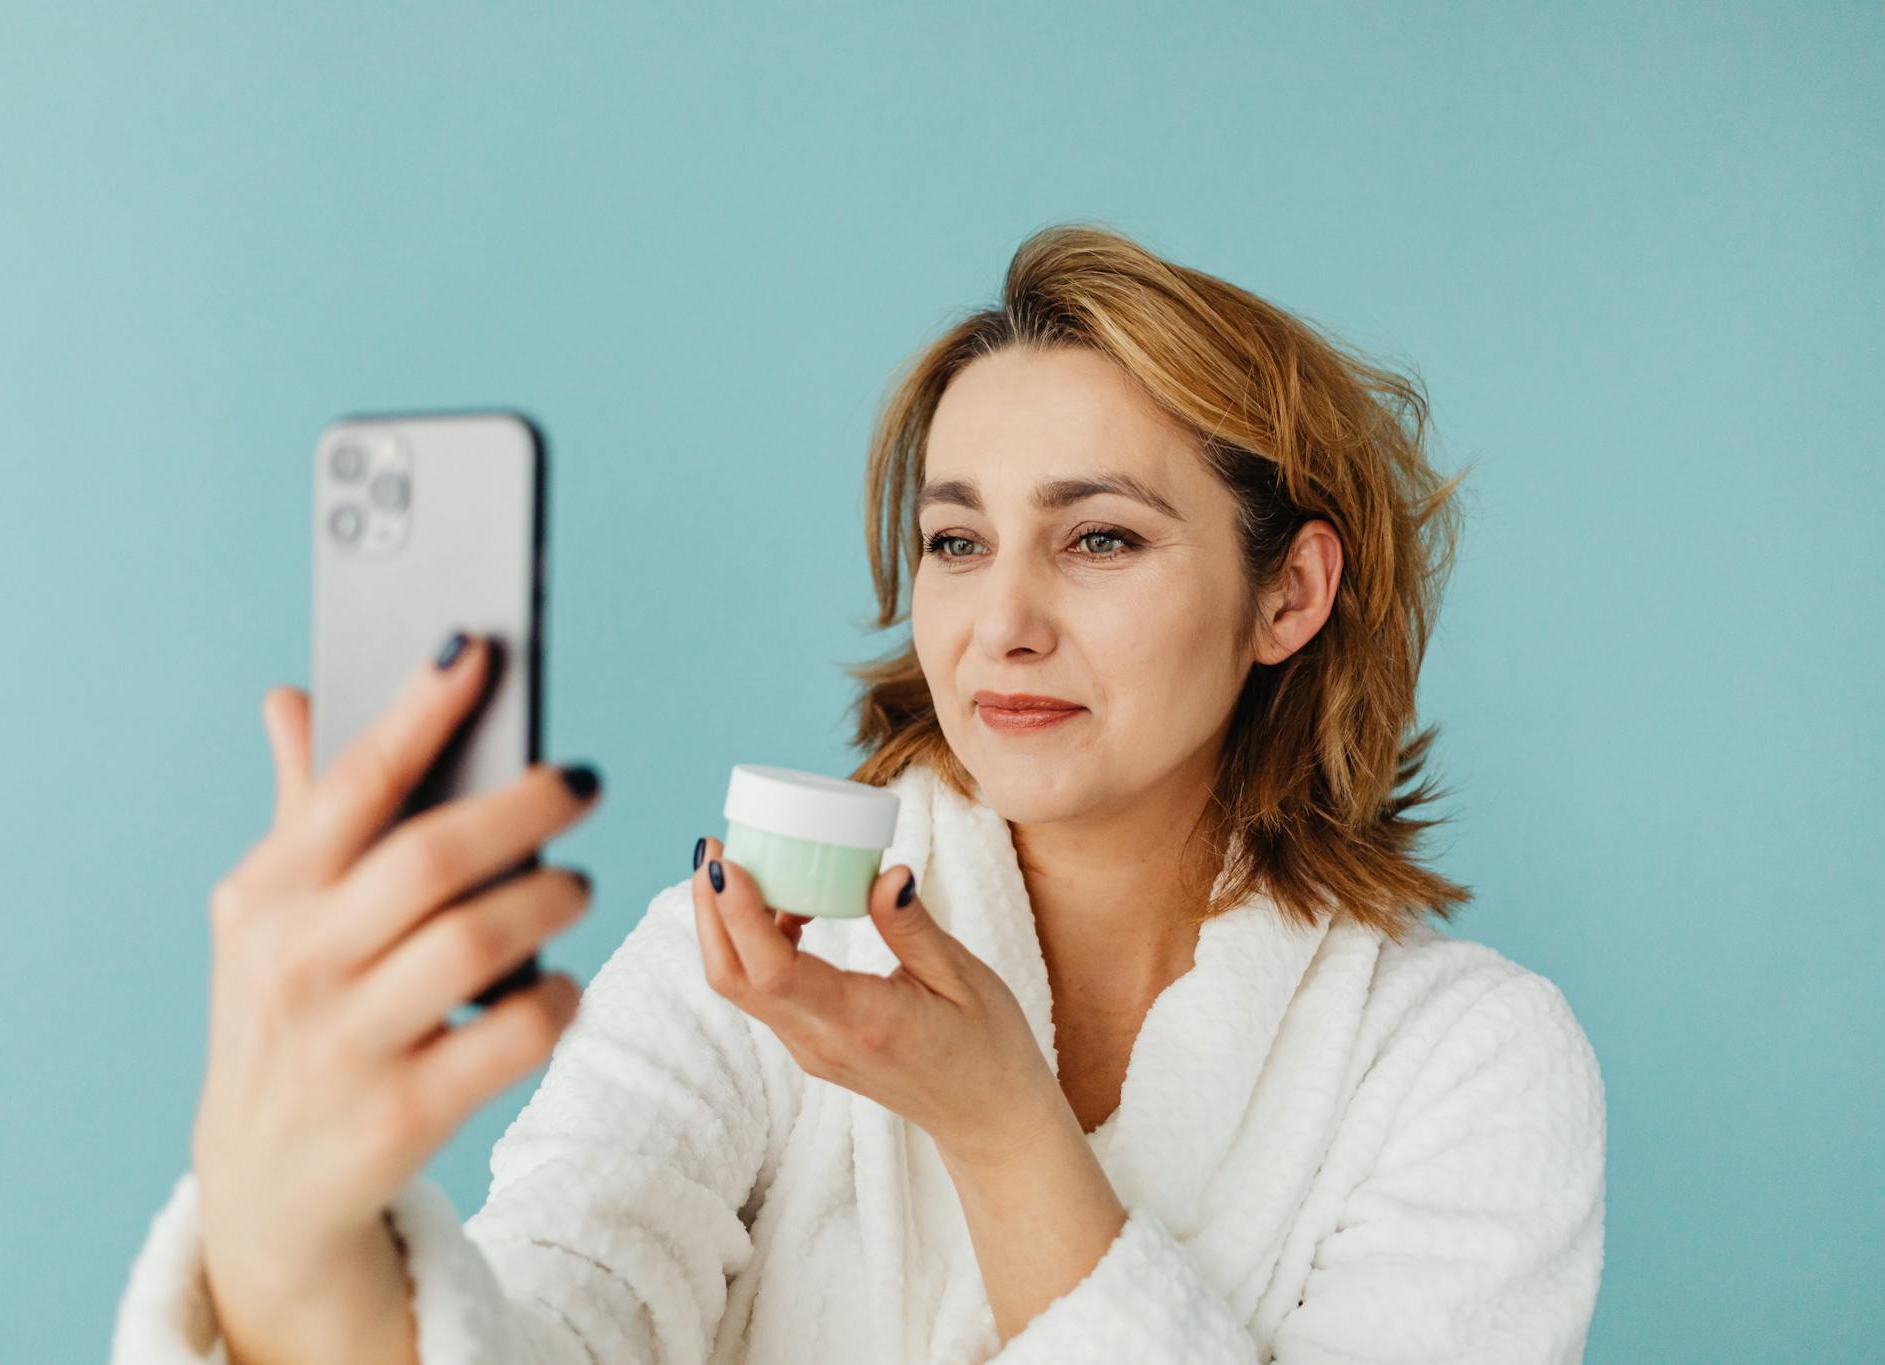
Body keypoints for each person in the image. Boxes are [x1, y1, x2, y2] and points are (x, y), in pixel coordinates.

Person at [111, 223, 1605, 1364]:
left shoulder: (1465, 1066)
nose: (999, 621)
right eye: (956, 543)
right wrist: (283, 1246)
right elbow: (561, 1308)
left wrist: (1005, 1130)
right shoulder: (767, 952)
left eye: (1098, 540)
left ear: (1290, 592)